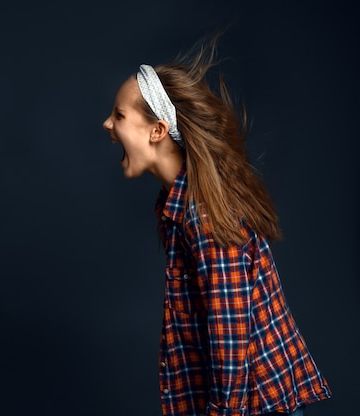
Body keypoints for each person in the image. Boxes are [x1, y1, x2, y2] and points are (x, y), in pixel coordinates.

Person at [102, 35, 331, 416]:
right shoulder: (178, 204)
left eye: (120, 116)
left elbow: (230, 331)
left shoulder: (203, 213)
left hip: (253, 407)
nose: (107, 124)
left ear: (157, 130)